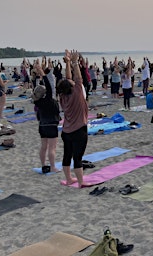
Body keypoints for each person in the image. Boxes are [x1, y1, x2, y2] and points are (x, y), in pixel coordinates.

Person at [57, 50, 91, 188]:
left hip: (67, 132)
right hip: (79, 131)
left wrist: (68, 63)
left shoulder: (63, 96)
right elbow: (77, 78)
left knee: (67, 156)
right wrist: (75, 63)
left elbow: (69, 79)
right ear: (72, 87)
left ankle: (69, 179)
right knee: (78, 157)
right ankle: (81, 182)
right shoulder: (77, 93)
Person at [32, 62, 61, 173]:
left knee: (44, 146)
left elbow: (36, 88)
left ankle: (44, 165)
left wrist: (38, 75)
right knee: (52, 147)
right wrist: (42, 74)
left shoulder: (38, 101)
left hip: (42, 125)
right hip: (51, 125)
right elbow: (49, 86)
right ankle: (53, 167)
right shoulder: (48, 99)